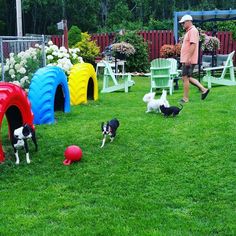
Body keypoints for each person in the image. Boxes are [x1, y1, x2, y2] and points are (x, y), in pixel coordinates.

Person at [179, 14, 210, 103]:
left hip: (188, 59)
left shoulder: (193, 31)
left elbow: (193, 44)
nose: (182, 25)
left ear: (189, 21)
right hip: (187, 59)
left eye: (183, 23)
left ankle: (185, 98)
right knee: (187, 77)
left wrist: (188, 58)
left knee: (185, 77)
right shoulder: (190, 31)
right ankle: (203, 89)